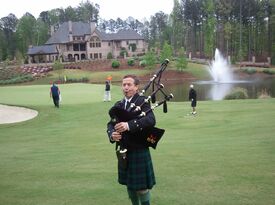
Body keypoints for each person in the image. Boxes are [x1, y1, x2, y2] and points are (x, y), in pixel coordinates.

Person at [107, 74, 156, 205]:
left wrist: (128, 125)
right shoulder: (119, 105)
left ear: (136, 87)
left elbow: (151, 120)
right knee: (130, 185)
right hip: (124, 150)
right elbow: (110, 124)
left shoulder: (142, 101)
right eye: (124, 85)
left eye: (129, 85)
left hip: (139, 149)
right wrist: (112, 134)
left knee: (141, 188)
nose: (126, 87)